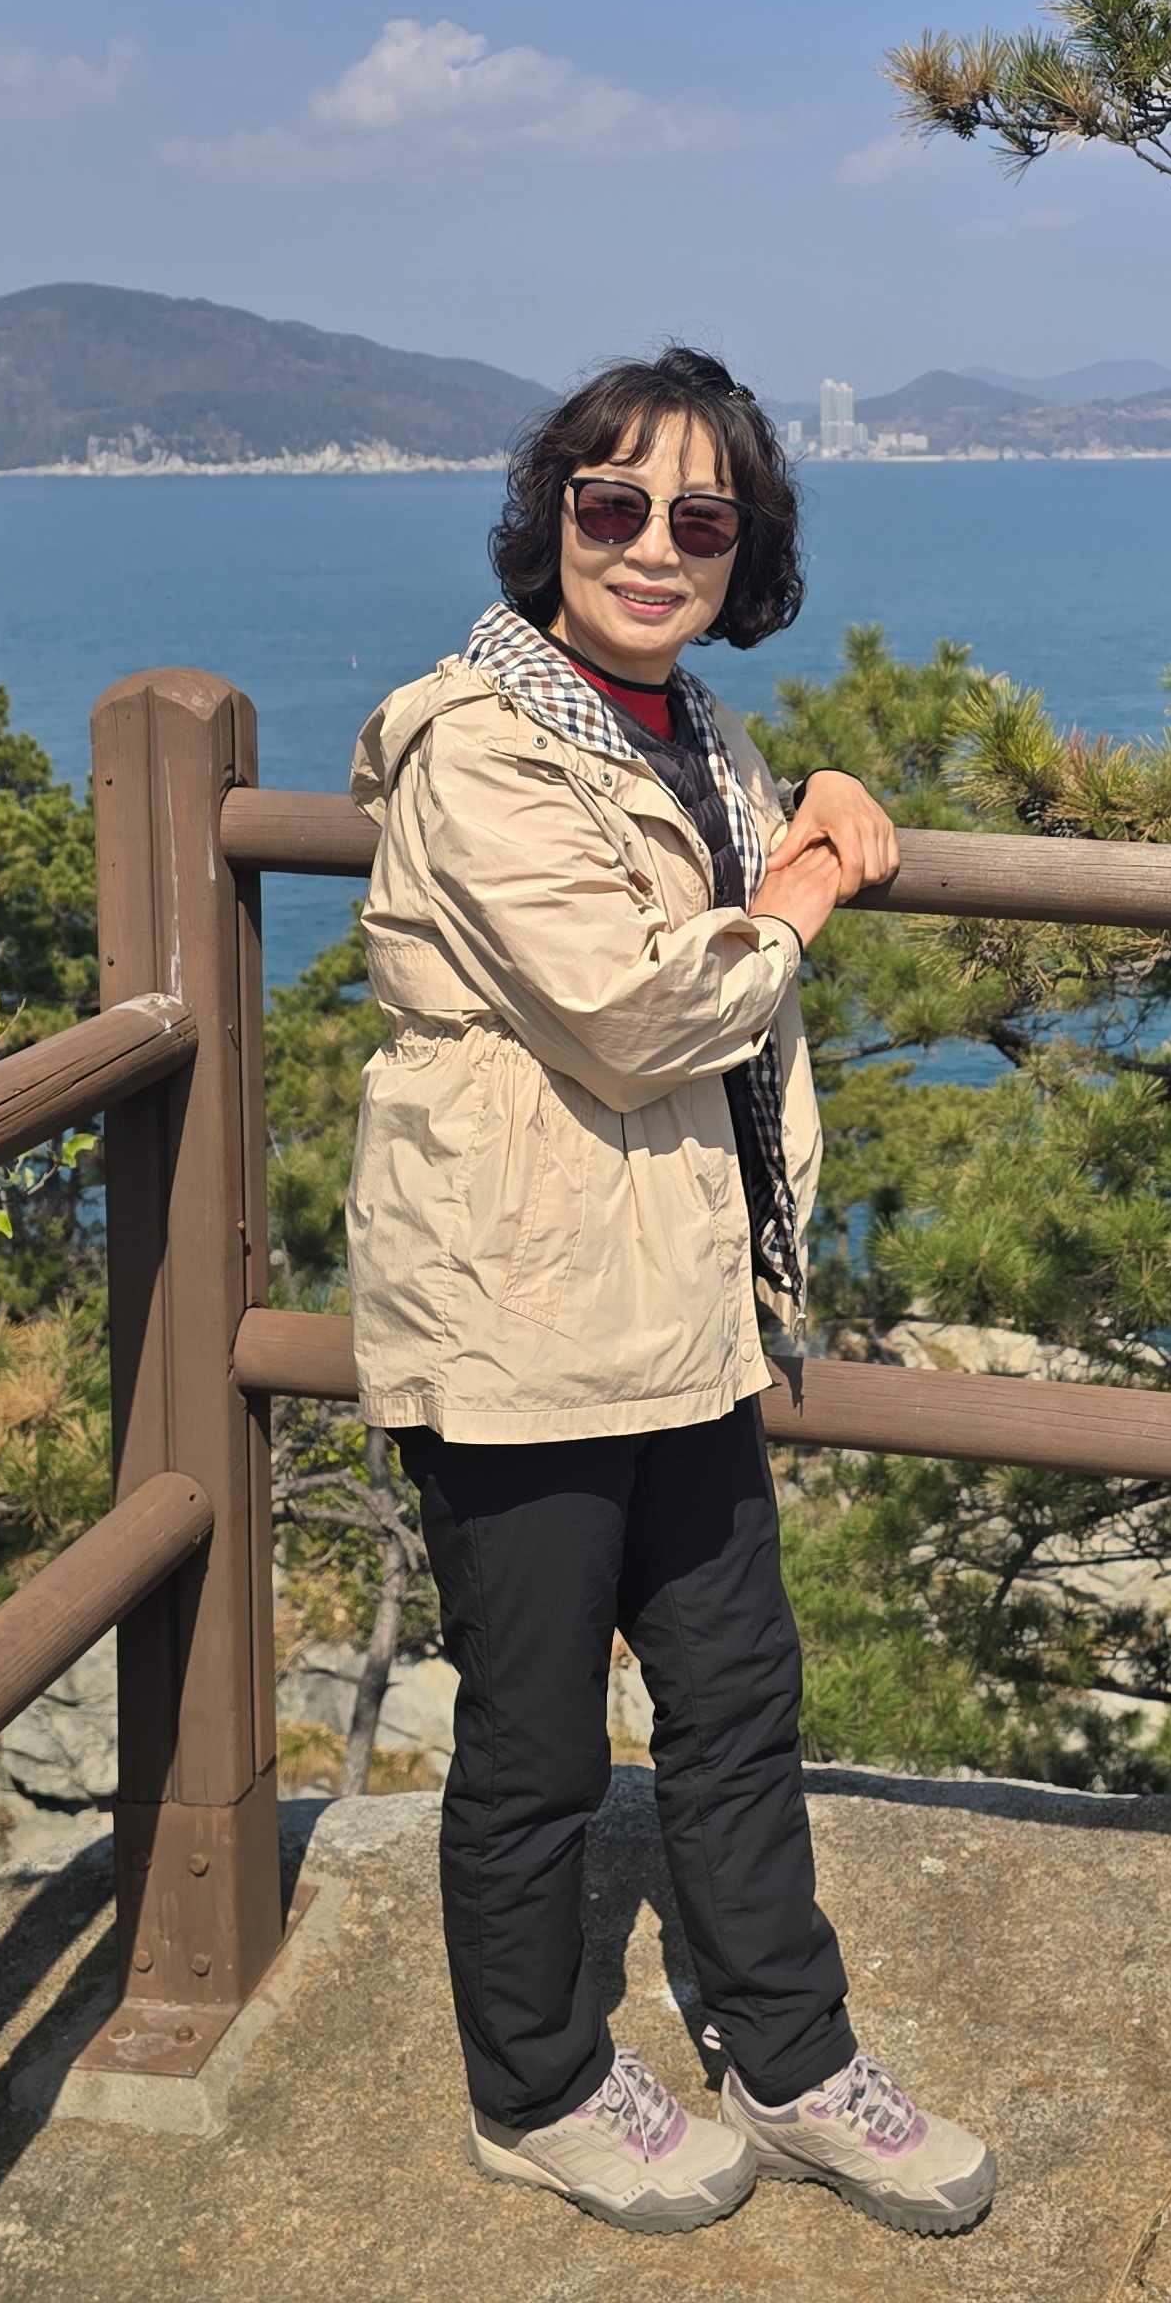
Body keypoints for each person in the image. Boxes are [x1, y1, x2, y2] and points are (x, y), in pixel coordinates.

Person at [339, 346, 999, 2239]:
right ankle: (536, 2088)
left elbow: (721, 899)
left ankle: (791, 2061)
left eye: (697, 517)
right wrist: (802, 891)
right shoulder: (482, 743)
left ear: (742, 549)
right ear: (552, 519)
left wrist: (814, 799)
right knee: (537, 1740)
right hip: (522, 1315)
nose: (650, 546)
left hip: (681, 1307)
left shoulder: (686, 730)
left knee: (737, 1704)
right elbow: (641, 1013)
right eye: (610, 504)